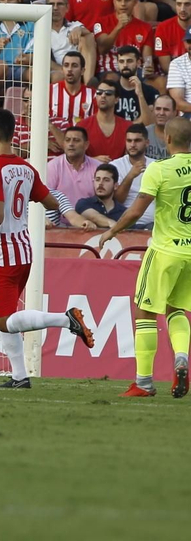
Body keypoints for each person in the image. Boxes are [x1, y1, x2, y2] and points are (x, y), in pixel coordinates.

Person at [0, 107, 95, 388]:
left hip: (5, 253)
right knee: (8, 314)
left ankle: (67, 320)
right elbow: (52, 202)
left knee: (3, 320)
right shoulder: (27, 168)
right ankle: (20, 375)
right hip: (25, 250)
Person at [97, 117, 191, 396]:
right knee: (177, 310)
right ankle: (182, 356)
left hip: (165, 250)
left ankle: (144, 382)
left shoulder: (158, 170)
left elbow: (136, 210)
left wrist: (112, 231)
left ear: (168, 140)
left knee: (144, 310)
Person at [74, 162, 128, 228]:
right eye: (97, 179)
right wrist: (110, 223)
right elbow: (93, 217)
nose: (100, 183)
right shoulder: (83, 203)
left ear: (115, 186)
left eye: (106, 180)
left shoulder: (124, 213)